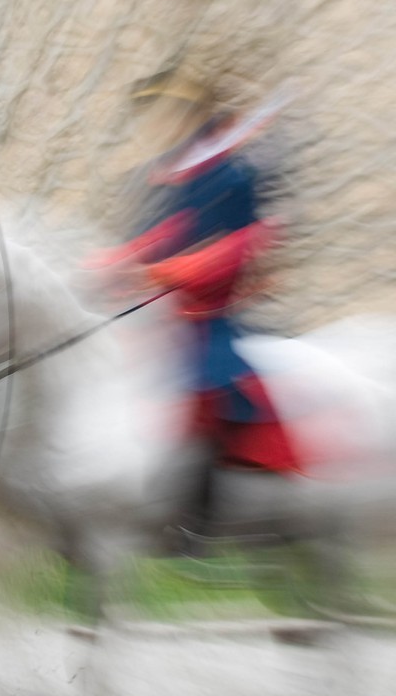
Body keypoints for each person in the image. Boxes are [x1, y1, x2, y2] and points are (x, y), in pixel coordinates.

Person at [88, 68, 301, 554]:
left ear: (196, 117)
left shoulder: (233, 174)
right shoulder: (180, 172)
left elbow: (238, 247)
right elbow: (167, 232)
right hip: (161, 312)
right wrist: (112, 262)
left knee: (206, 387)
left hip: (208, 312)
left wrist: (165, 274)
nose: (160, 124)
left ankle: (194, 515)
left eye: (171, 113)